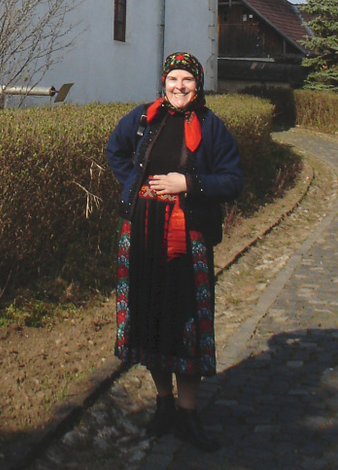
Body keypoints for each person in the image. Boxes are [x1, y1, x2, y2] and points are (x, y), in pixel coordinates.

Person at [105, 51, 243, 452]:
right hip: (143, 230)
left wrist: (189, 184)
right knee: (151, 315)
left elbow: (233, 179)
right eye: (173, 79)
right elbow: (115, 150)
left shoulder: (212, 128)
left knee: (187, 320)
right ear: (163, 83)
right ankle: (163, 405)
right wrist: (136, 185)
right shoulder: (143, 119)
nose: (179, 87)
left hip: (189, 234)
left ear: (197, 85)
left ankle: (187, 412)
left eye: (187, 80)